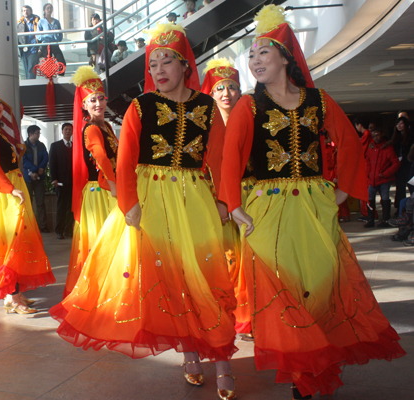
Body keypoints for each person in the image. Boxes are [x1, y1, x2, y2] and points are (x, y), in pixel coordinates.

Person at [219, 6, 405, 400]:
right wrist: (235, 207)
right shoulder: (248, 106)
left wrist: (339, 193)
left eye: (263, 53)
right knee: (282, 289)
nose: (254, 61)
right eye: (251, 55)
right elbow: (231, 158)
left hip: (314, 206)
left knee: (317, 287)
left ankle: (317, 360)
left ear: (285, 58)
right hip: (267, 210)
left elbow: (350, 143)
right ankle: (303, 372)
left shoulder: (318, 100)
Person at [50, 23, 238, 400]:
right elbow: (125, 161)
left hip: (196, 200)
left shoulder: (206, 107)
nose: (159, 69)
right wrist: (130, 205)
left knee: (208, 276)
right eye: (153, 64)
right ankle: (190, 354)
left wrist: (223, 200)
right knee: (172, 283)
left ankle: (222, 361)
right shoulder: (141, 106)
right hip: (153, 203)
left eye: (167, 61)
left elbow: (220, 157)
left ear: (185, 65)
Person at [0, 69, 55, 313]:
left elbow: (4, 161)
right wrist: (9, 189)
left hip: (8, 188)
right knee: (10, 242)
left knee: (16, 241)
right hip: (0, 193)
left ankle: (15, 295)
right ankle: (12, 297)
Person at [201, 58, 253, 337]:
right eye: (219, 88)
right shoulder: (205, 126)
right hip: (216, 199)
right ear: (211, 93)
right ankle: (226, 310)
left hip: (250, 194)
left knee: (251, 255)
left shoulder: (251, 118)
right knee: (226, 257)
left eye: (231, 87)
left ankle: (250, 312)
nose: (226, 94)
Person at [63, 66, 118, 299]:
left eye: (101, 98)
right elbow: (101, 157)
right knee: (102, 242)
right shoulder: (92, 128)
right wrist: (115, 186)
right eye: (92, 100)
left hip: (108, 189)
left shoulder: (107, 126)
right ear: (84, 105)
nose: (98, 103)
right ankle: (97, 293)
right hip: (101, 192)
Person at [364, 128, 400, 228]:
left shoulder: (388, 148)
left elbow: (396, 163)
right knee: (370, 199)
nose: (376, 138)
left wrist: (385, 174)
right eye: (374, 136)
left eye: (378, 135)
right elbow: (367, 161)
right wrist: (369, 173)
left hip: (384, 179)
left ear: (382, 134)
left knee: (384, 198)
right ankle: (371, 219)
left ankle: (385, 219)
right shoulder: (371, 148)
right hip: (373, 178)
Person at [49, 123, 74, 239]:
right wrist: (54, 179)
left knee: (72, 208)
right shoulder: (55, 146)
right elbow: (52, 163)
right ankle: (59, 230)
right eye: (66, 129)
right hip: (61, 182)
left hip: (74, 182)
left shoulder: (75, 146)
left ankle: (69, 230)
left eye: (70, 129)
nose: (68, 131)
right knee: (61, 207)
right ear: (62, 131)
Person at [23, 125, 49, 232]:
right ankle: (29, 226)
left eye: (39, 133)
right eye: (37, 133)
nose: (39, 135)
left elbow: (45, 157)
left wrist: (41, 168)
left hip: (39, 177)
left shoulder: (41, 145)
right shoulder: (23, 146)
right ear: (31, 134)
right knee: (28, 203)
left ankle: (43, 226)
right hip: (28, 178)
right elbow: (23, 160)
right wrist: (35, 169)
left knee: (40, 203)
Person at [391, 116, 414, 211]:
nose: (399, 126)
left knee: (412, 187)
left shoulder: (411, 137)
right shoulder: (396, 138)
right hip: (399, 166)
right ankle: (400, 209)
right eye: (397, 124)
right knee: (400, 188)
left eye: (401, 124)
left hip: (409, 165)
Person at [37, 2, 66, 76]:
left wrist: (57, 38)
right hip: (45, 44)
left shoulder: (56, 21)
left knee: (61, 61)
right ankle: (48, 78)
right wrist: (47, 36)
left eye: (50, 8)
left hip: (55, 44)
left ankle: (61, 76)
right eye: (47, 8)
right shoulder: (41, 22)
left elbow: (60, 33)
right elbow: (38, 36)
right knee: (47, 62)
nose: (49, 10)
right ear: (44, 10)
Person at [17, 5, 41, 79]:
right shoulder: (20, 23)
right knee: (26, 70)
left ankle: (31, 86)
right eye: (24, 10)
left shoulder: (37, 21)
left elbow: (41, 35)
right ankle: (29, 85)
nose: (26, 12)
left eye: (27, 10)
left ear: (31, 11)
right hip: (24, 50)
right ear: (22, 12)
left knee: (31, 69)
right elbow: (18, 37)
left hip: (34, 49)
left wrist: (40, 48)